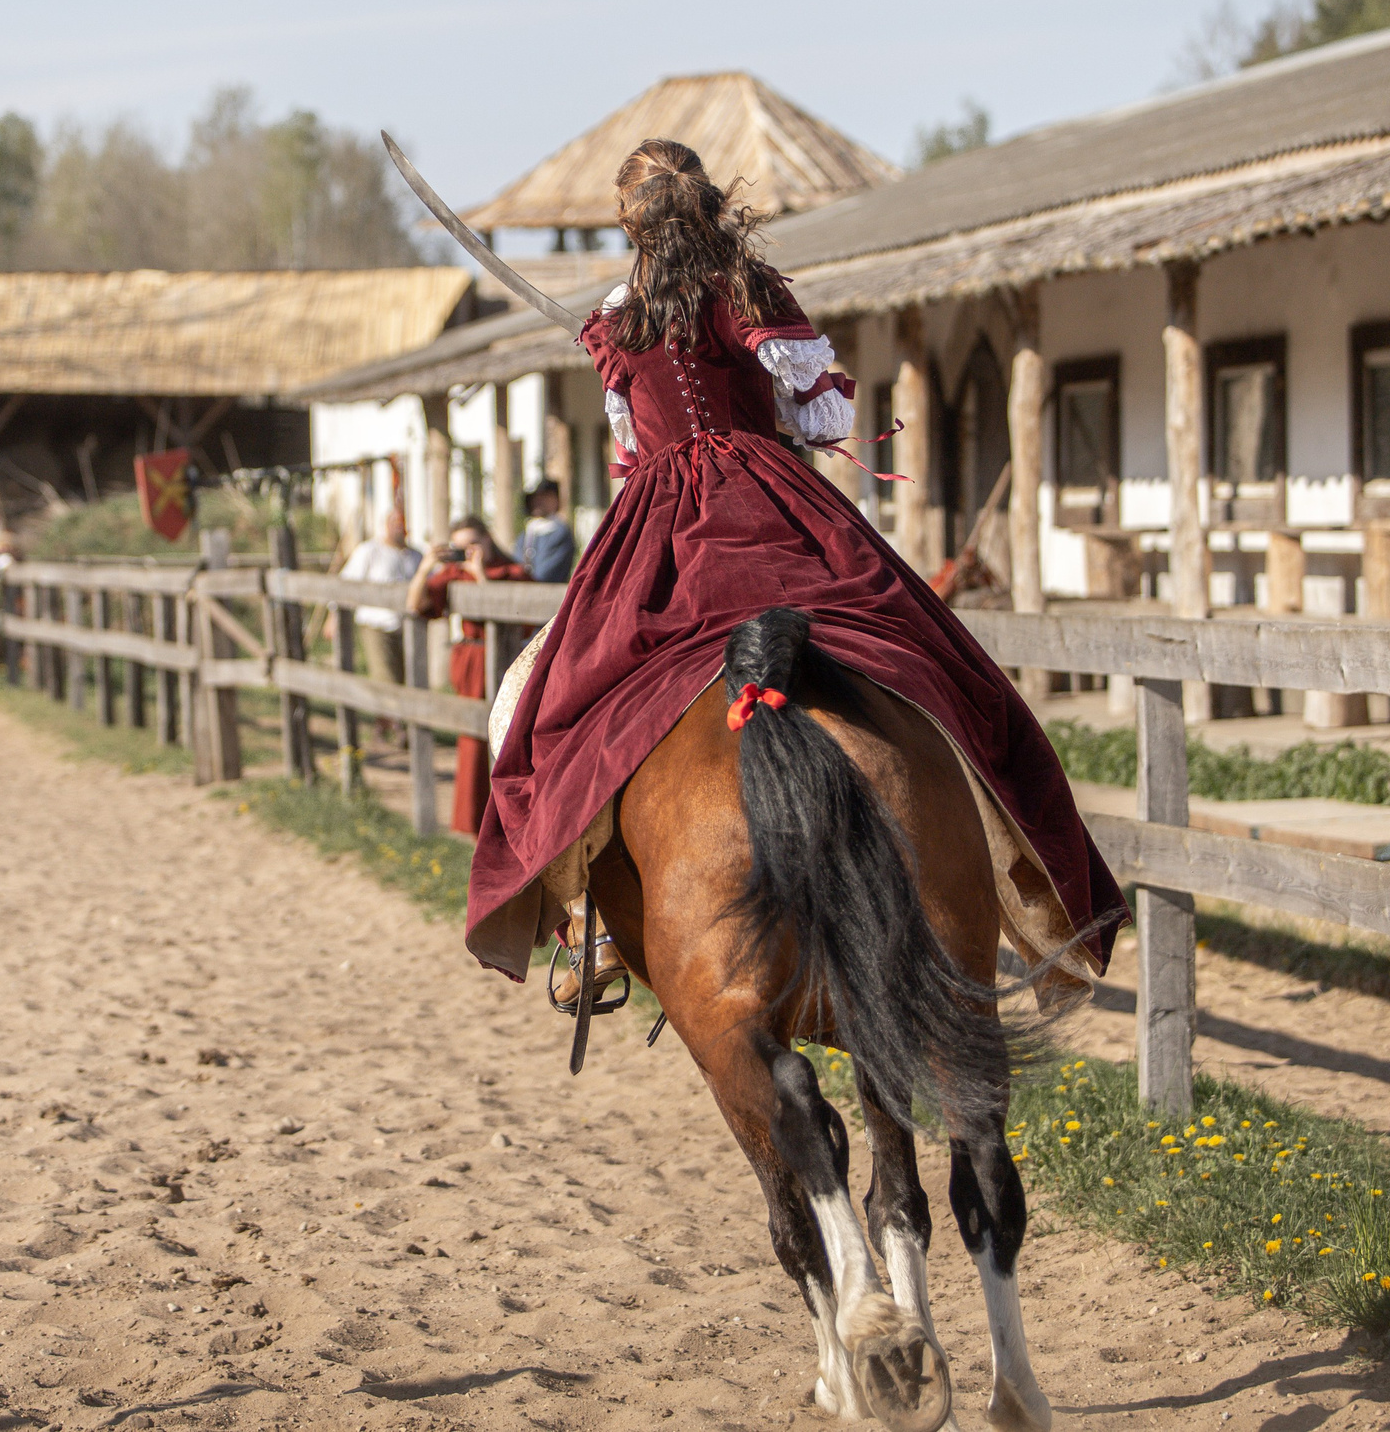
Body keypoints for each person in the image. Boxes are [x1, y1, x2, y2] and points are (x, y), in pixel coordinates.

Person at [471, 138, 1123, 1013]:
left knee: (535, 697)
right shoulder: (752, 291)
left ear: (629, 224)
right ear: (708, 203)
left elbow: (631, 454)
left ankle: (594, 924)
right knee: (945, 664)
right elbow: (821, 418)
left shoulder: (614, 327)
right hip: (774, 505)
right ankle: (1040, 914)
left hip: (662, 529)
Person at [410, 515, 529, 836]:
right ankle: (471, 821)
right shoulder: (454, 573)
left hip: (504, 656)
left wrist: (479, 575)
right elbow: (416, 604)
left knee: (507, 736)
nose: (468, 552)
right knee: (472, 738)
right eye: (460, 546)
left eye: (473, 543)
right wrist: (425, 568)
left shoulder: (512, 571)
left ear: (488, 539)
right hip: (470, 657)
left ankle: (508, 821)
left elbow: (509, 615)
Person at [333, 507, 422, 742]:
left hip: (407, 627)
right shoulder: (369, 551)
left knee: (404, 677)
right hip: (376, 624)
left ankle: (384, 725)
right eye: (395, 522)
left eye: (402, 523)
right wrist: (334, 616)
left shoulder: (415, 556)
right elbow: (346, 584)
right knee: (385, 676)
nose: (399, 527)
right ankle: (399, 728)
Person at [514, 481, 575, 583]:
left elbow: (544, 574)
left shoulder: (559, 532)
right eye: (535, 498)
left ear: (556, 500)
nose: (538, 502)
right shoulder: (526, 533)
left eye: (544, 497)